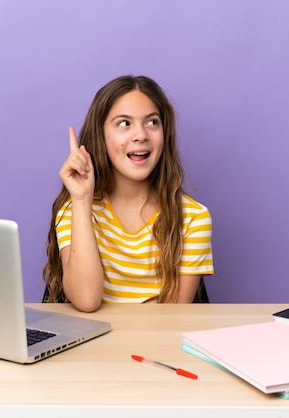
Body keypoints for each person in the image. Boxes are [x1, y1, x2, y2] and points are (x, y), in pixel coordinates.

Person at [43, 75, 213, 312]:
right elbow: (86, 300)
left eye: (152, 122)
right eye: (124, 123)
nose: (141, 135)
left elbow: (173, 319)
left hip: (157, 348)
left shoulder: (193, 218)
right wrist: (81, 200)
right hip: (93, 349)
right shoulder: (75, 210)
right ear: (101, 136)